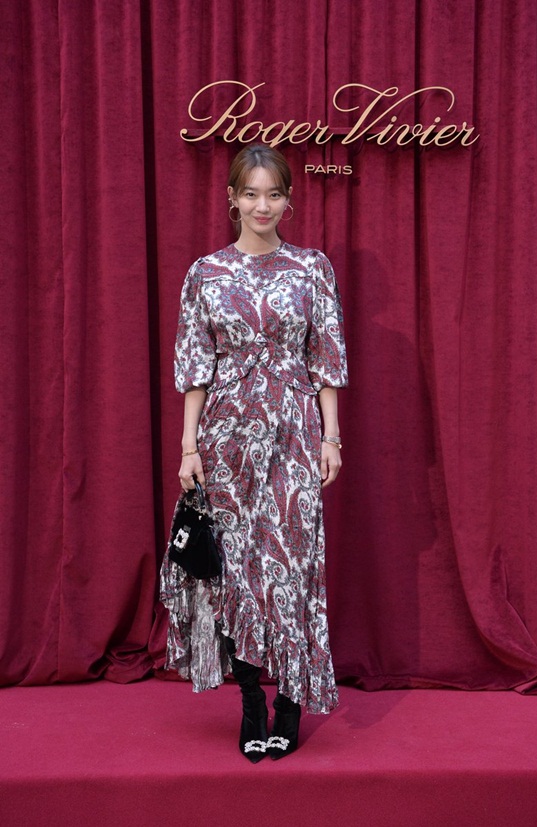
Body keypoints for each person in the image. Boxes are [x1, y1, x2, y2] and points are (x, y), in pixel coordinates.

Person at [160, 144, 348, 763]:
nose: (262, 206)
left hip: (294, 433)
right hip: (227, 438)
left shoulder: (312, 268)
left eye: (273, 194)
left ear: (288, 200)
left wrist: (330, 437)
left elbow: (325, 359)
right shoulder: (205, 273)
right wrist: (188, 448)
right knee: (237, 570)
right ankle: (250, 704)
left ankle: (291, 702)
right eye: (251, 194)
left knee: (290, 568)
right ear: (233, 199)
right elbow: (195, 366)